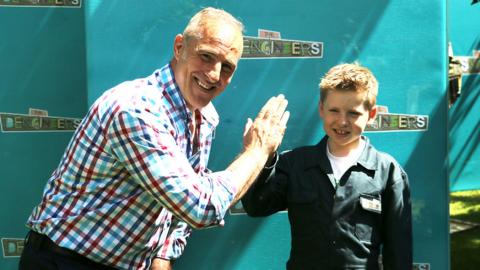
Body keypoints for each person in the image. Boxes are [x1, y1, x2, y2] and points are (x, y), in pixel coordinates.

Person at [19, 7, 289, 270]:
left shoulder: (204, 116)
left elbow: (182, 197)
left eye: (227, 67)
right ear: (179, 47)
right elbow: (199, 206)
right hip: (63, 261)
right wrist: (257, 150)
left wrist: (163, 255)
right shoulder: (137, 109)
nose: (215, 75)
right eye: (206, 56)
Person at [242, 63, 412, 270]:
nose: (342, 121)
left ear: (372, 114)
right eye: (334, 110)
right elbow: (256, 206)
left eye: (353, 113)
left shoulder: (388, 172)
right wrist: (261, 155)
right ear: (321, 109)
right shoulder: (295, 163)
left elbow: (399, 251)